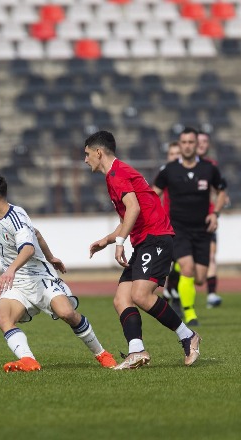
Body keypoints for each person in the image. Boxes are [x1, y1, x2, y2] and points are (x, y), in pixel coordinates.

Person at [0, 173, 117, 372]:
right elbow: (37, 234)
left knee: (67, 313)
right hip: (18, 285)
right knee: (2, 318)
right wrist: (51, 256)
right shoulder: (1, 216)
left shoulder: (15, 219)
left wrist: (11, 270)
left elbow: (29, 248)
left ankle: (102, 353)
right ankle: (28, 360)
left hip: (39, 278)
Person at [84, 130, 201, 370]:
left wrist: (118, 244)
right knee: (121, 299)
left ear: (98, 152)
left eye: (87, 154)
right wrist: (106, 240)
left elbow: (133, 208)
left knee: (140, 295)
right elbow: (131, 214)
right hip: (146, 240)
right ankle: (136, 351)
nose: (85, 160)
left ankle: (187, 336)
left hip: (156, 239)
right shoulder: (116, 174)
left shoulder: (116, 174)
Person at [153, 127, 228, 327]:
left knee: (200, 278)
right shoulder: (169, 170)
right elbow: (153, 194)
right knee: (188, 267)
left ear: (197, 145)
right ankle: (190, 313)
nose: (187, 146)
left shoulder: (209, 169)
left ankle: (176, 266)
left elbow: (221, 191)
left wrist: (215, 213)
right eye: (183, 142)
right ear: (180, 144)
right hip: (178, 228)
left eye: (191, 142)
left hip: (202, 229)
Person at [197, 131, 222, 308]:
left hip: (207, 218)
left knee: (211, 255)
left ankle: (212, 294)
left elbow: (219, 190)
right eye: (200, 141)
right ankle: (174, 294)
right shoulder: (179, 166)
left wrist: (217, 208)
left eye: (205, 141)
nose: (202, 144)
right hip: (185, 220)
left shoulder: (211, 166)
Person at [159, 142, 184, 319]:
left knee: (181, 263)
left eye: (178, 153)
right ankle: (173, 295)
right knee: (171, 262)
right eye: (172, 153)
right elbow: (154, 194)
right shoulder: (165, 171)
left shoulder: (187, 170)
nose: (175, 156)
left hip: (183, 223)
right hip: (166, 223)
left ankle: (171, 291)